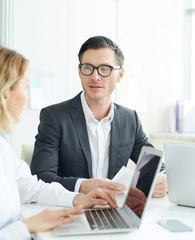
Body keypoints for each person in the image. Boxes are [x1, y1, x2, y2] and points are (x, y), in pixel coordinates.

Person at [0, 44, 118, 240]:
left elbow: (32, 188)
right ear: (3, 93)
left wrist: (78, 199)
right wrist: (26, 227)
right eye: (25, 87)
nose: (26, 98)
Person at [30, 36, 167, 198]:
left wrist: (163, 179)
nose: (95, 77)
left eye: (105, 68)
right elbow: (41, 177)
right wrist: (82, 185)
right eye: (88, 68)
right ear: (79, 72)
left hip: (113, 208)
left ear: (120, 74)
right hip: (71, 207)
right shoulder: (54, 117)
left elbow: (156, 166)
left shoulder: (130, 119)